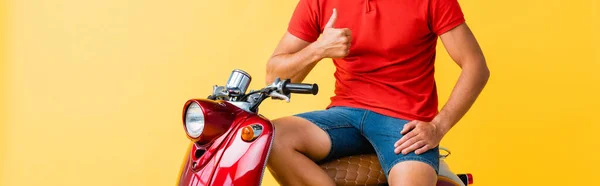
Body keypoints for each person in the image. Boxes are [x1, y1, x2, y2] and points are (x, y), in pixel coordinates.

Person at [265, 0, 489, 185]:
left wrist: (438, 126)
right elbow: (274, 78)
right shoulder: (318, 2)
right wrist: (317, 49)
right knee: (270, 139)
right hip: (345, 115)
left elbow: (476, 66)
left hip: (404, 124)